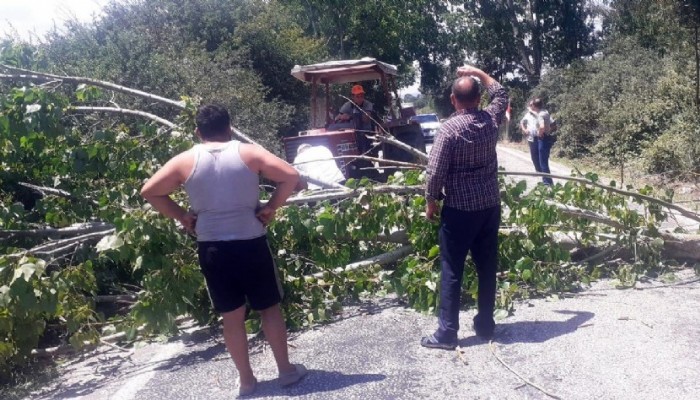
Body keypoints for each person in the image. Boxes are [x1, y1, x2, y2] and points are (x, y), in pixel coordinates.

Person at [140, 104, 307, 397]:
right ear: (229, 127)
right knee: (268, 308)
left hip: (213, 248)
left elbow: (150, 191)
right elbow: (290, 176)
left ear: (197, 132)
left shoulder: (185, 160)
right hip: (251, 243)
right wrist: (270, 208)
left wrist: (182, 215)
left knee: (231, 317)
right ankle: (286, 372)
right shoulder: (248, 153)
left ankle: (246, 381)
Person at [421, 65, 508, 350]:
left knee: (452, 269)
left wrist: (431, 201)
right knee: (486, 266)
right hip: (489, 207)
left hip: (459, 211)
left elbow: (435, 172)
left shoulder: (449, 130)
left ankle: (447, 333)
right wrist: (478, 72)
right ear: (479, 99)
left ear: (453, 99)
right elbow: (501, 94)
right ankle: (485, 325)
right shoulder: (490, 119)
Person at [530, 98, 554, 186]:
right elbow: (552, 124)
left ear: (535, 106)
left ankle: (547, 184)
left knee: (543, 163)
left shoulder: (540, 115)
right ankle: (549, 182)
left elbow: (542, 126)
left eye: (532, 105)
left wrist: (540, 134)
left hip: (543, 139)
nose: (531, 106)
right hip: (548, 138)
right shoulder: (545, 112)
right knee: (545, 162)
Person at [520, 101, 542, 176]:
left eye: (532, 105)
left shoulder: (540, 113)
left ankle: (542, 170)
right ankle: (538, 170)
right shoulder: (528, 114)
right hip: (531, 138)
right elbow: (522, 122)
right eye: (530, 105)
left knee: (540, 154)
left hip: (540, 137)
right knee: (534, 155)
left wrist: (531, 111)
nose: (531, 106)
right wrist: (524, 129)